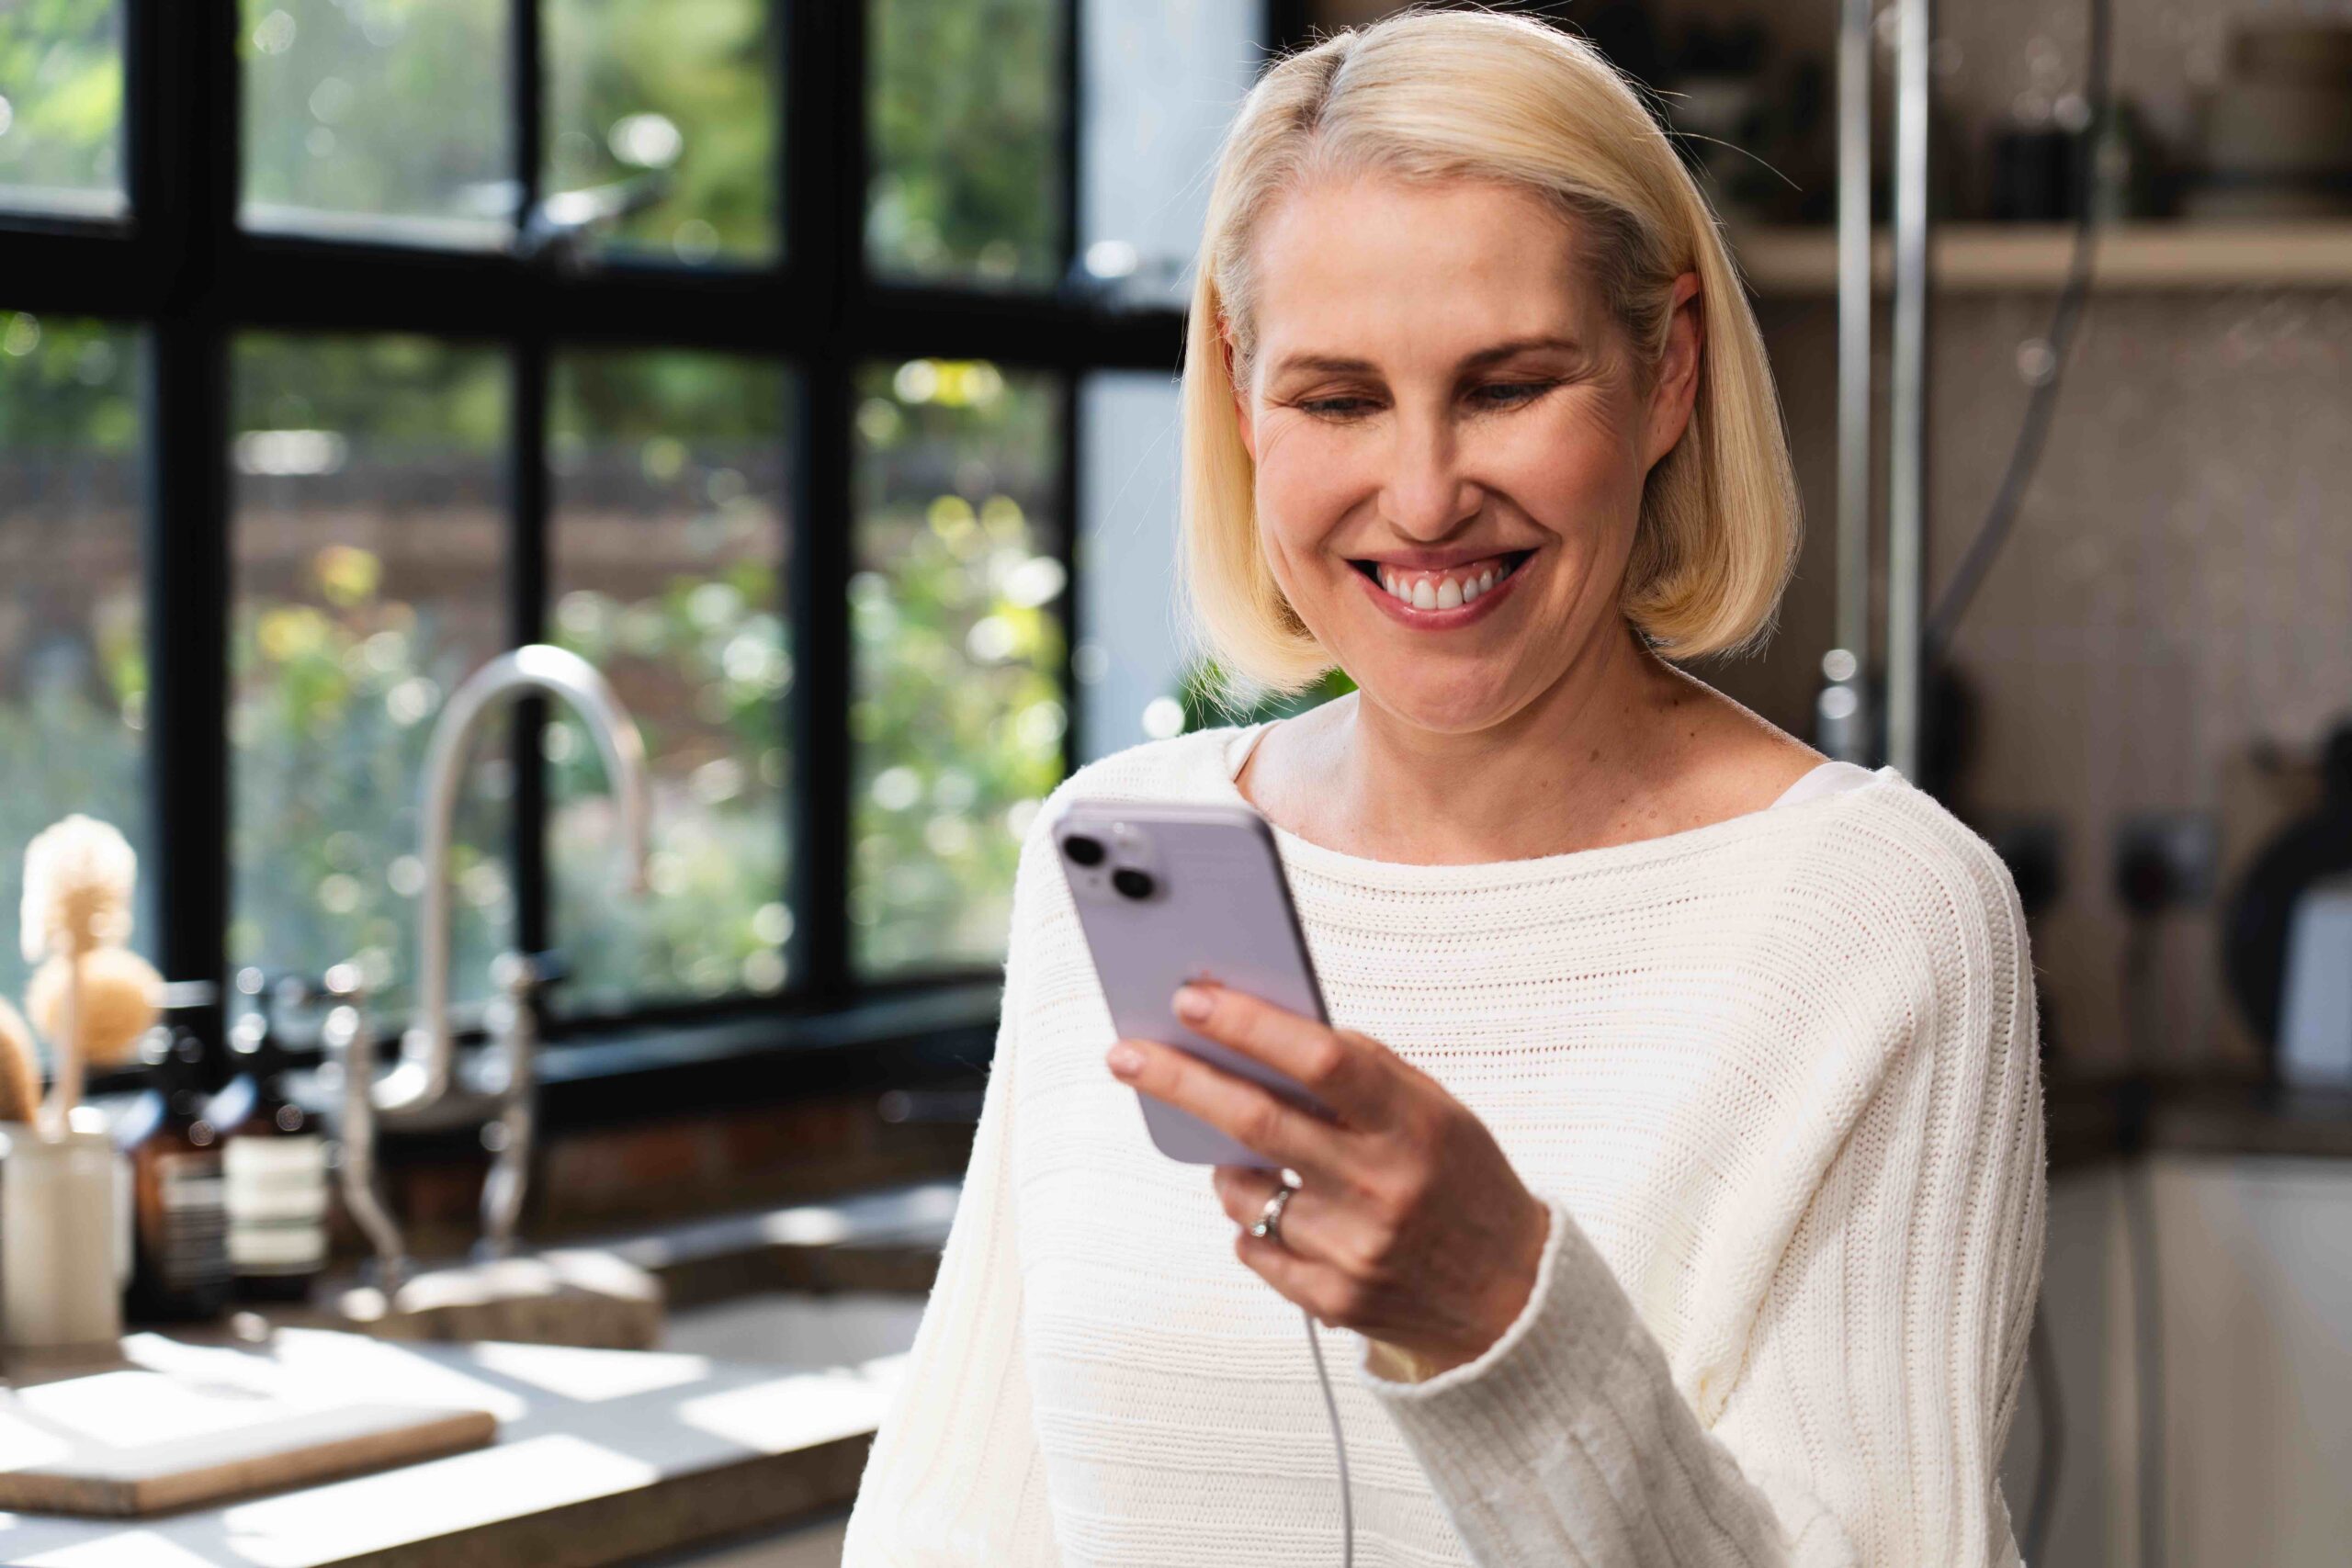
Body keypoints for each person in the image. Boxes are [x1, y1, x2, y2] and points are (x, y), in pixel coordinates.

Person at [843, 11, 2044, 1565]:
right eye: (1338, 401)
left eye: (1508, 386)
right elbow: (962, 1524)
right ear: (1238, 385)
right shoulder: (1128, 852)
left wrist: (1502, 1316)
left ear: (1666, 370)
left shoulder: (1874, 920)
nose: (1421, 499)